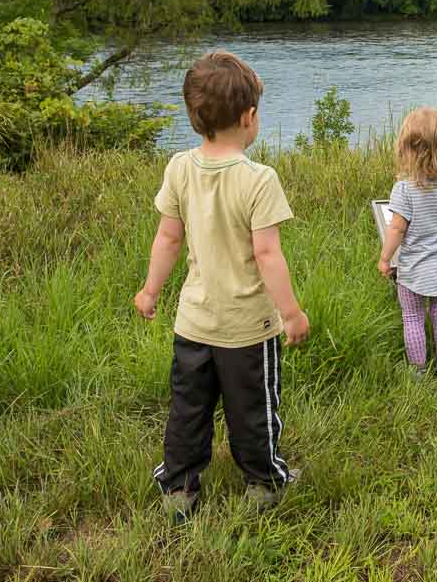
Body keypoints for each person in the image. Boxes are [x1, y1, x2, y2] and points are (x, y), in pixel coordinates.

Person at [133, 51, 310, 522]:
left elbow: (168, 237)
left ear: (196, 117)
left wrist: (151, 290)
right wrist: (291, 313)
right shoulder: (258, 179)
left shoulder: (179, 168)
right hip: (248, 328)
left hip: (193, 322)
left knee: (188, 409)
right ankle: (264, 482)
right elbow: (268, 254)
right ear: (249, 117)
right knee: (253, 409)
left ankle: (180, 485)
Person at [377, 107, 437, 377]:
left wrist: (384, 259)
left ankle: (417, 370)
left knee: (413, 319)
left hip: (413, 272)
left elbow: (396, 229)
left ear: (407, 150)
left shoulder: (405, 190)